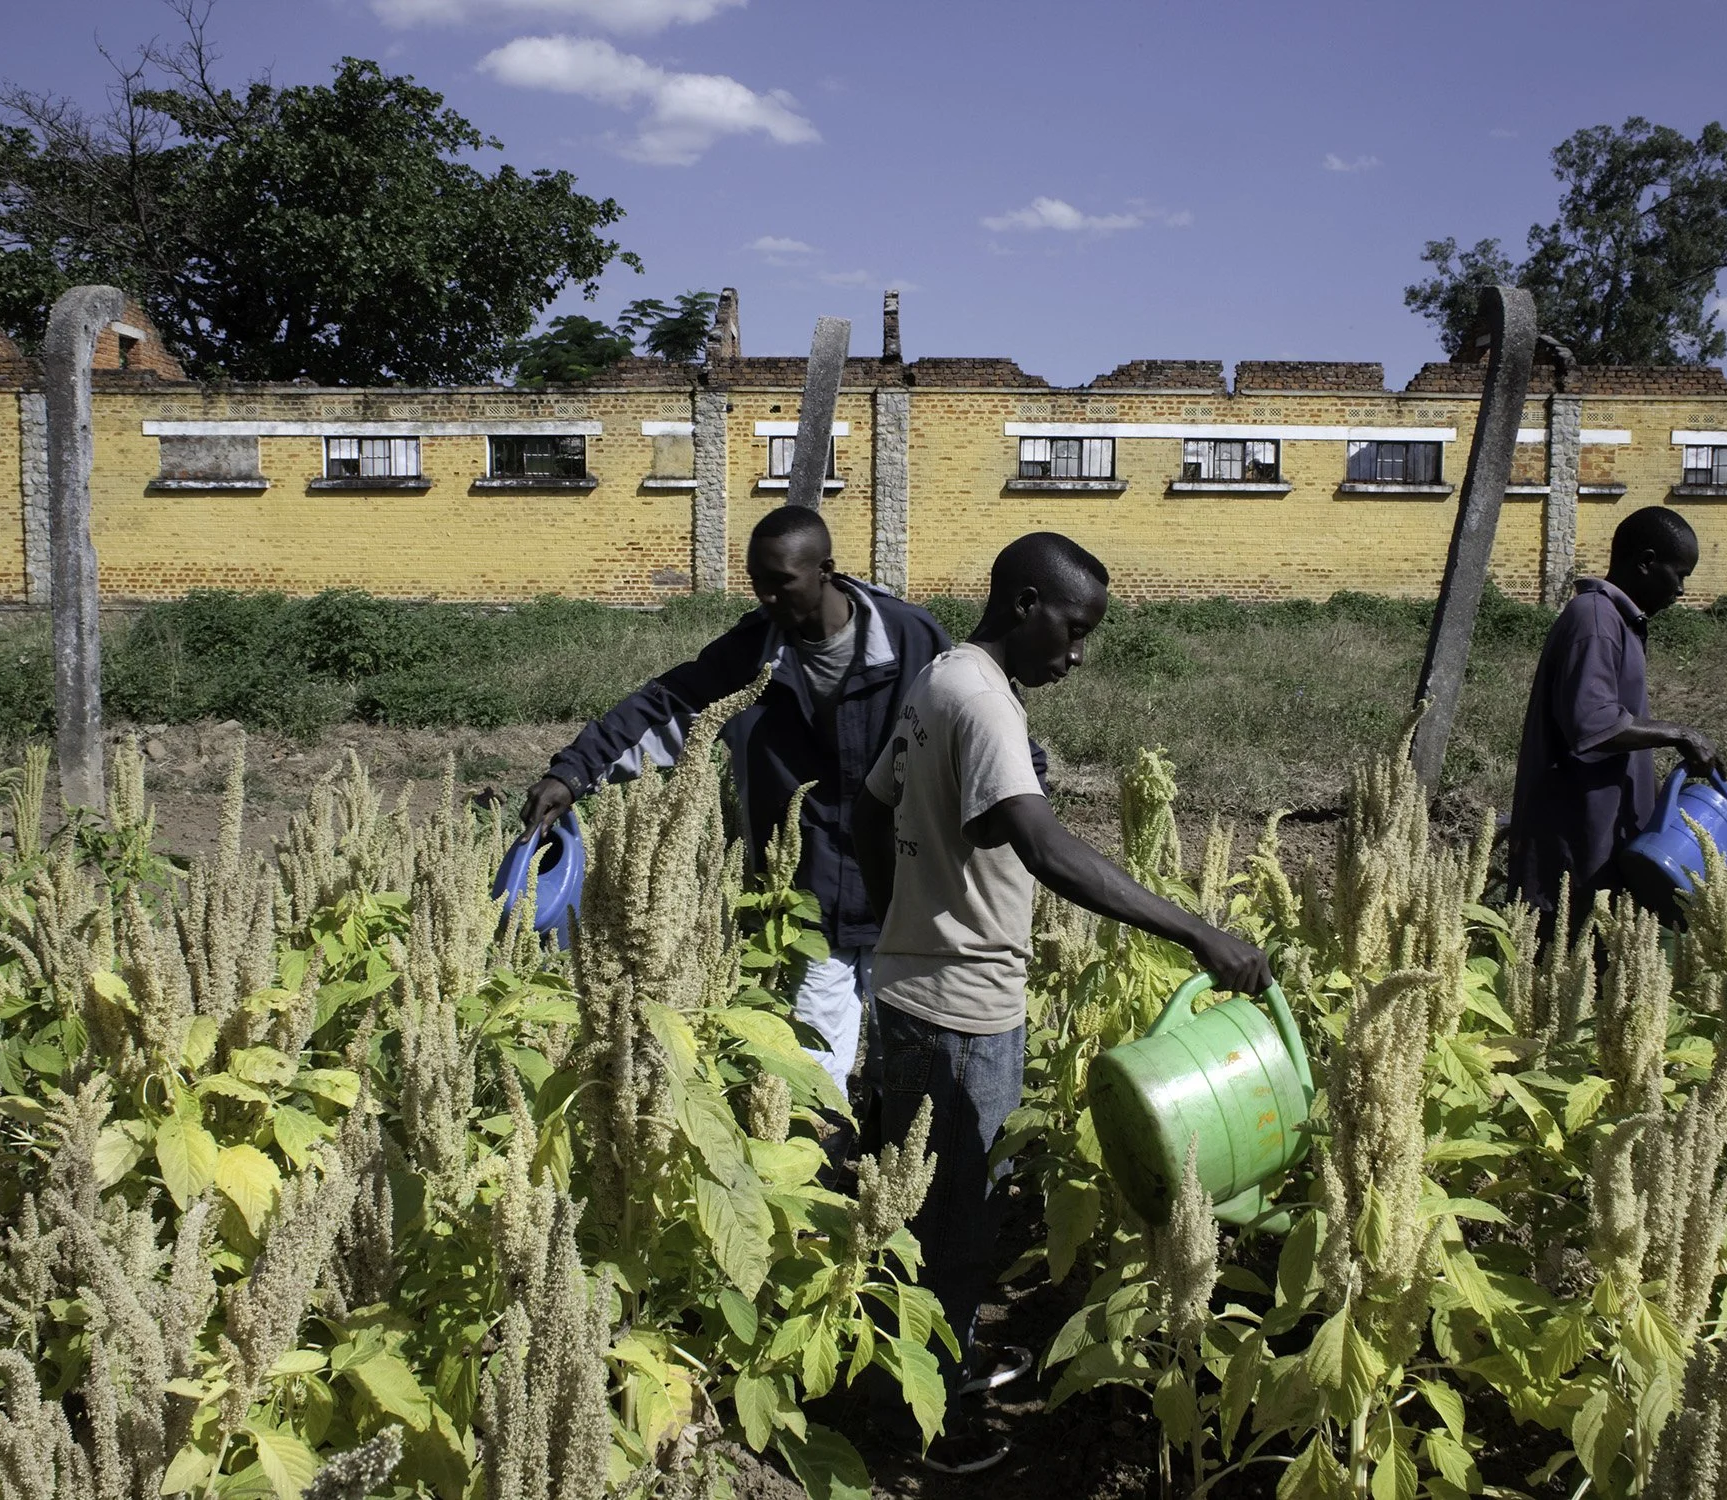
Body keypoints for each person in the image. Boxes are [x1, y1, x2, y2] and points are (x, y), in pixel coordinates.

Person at [852, 532, 1270, 1474]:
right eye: (1075, 630)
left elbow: (869, 805)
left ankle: (924, 1370)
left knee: (926, 1206)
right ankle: (922, 1420)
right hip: (962, 1009)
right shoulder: (985, 700)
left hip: (918, 987)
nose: (1078, 655)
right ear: (1027, 600)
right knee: (955, 1224)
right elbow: (1043, 844)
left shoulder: (940, 678)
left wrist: (902, 917)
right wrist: (1197, 930)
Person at [521, 505, 1039, 1099]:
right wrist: (571, 774)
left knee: (914, 1059)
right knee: (813, 1069)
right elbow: (663, 709)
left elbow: (980, 714)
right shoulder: (749, 655)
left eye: (781, 581)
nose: (766, 597)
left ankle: (888, 1166)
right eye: (757, 582)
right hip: (807, 894)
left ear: (825, 571)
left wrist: (1025, 794)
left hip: (908, 888)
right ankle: (824, 1169)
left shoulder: (908, 637)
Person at [1507, 505, 1722, 933]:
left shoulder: (1618, 622)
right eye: (1679, 574)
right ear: (1645, 562)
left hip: (1603, 833)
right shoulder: (1594, 620)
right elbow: (1593, 722)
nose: (1681, 590)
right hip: (1575, 839)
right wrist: (1680, 735)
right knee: (1569, 967)